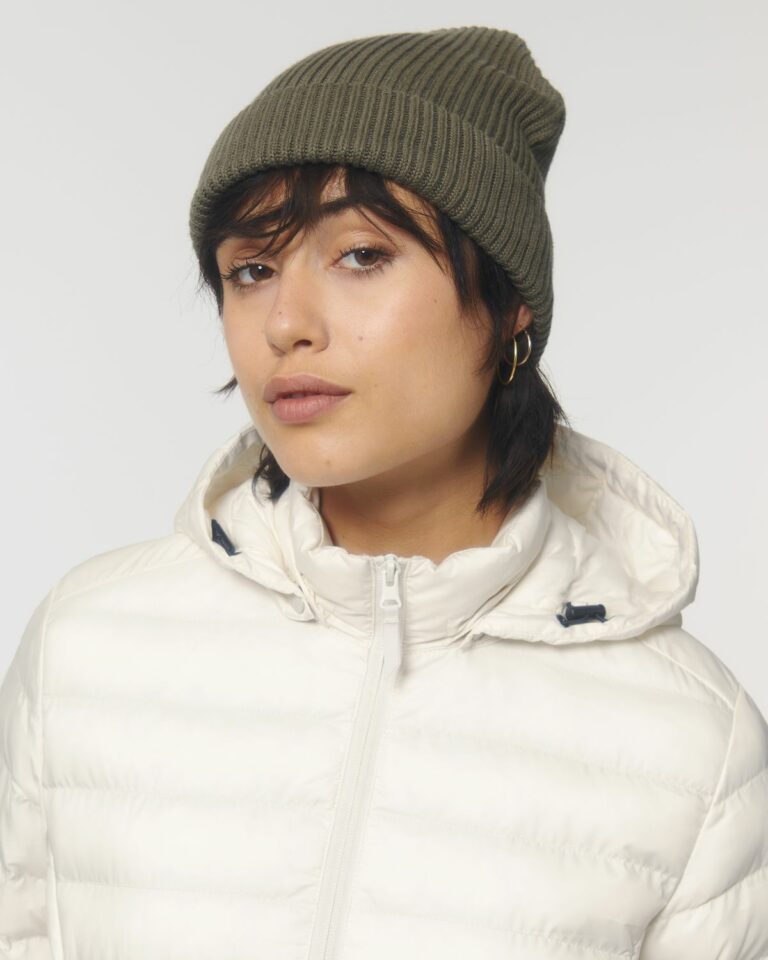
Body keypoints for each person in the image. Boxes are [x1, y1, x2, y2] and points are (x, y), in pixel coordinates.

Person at [1, 24, 766, 960]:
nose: (286, 323)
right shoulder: (87, 647)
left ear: (510, 303)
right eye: (251, 270)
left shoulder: (695, 741)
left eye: (362, 256)